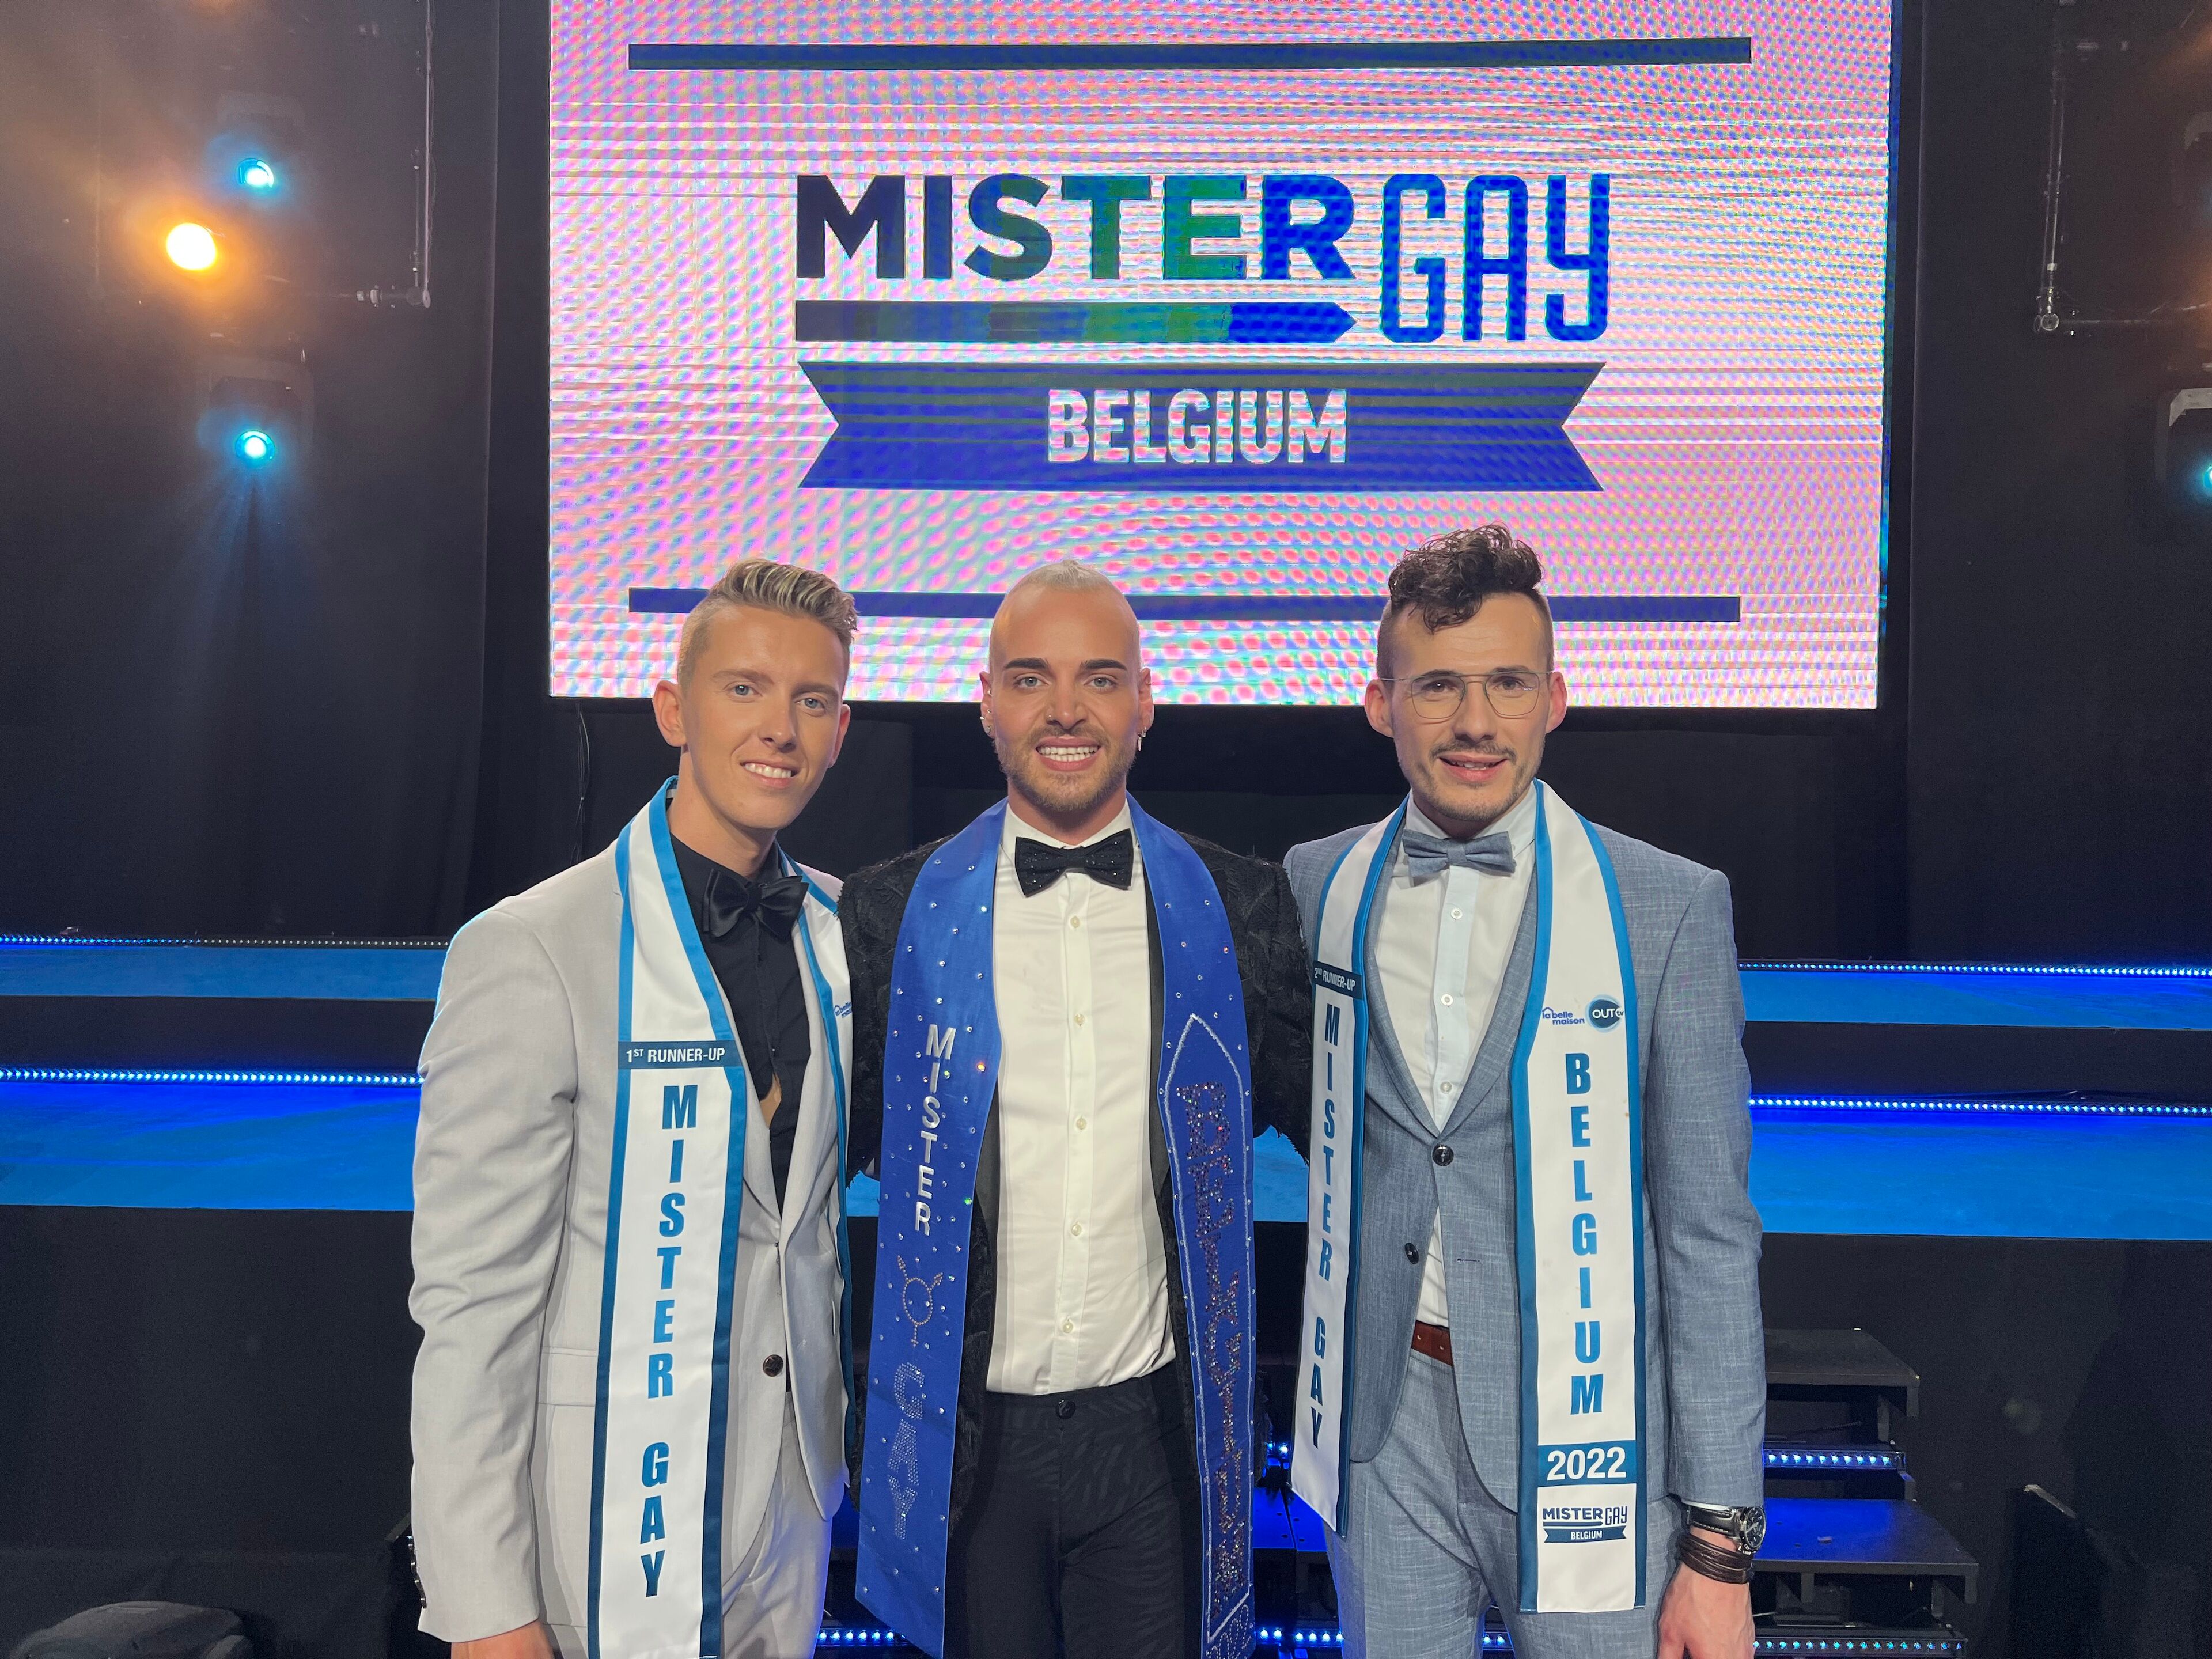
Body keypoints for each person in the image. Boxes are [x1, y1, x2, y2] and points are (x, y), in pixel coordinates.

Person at [1286, 527, 1765, 1659]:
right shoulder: (1315, 884)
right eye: (1438, 686)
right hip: (1382, 1430)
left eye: (1507, 683)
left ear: (1554, 698)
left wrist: (1720, 1547)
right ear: (1381, 704)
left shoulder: (1668, 906)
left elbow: (1707, 1233)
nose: (1475, 721)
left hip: (1591, 1437)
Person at [837, 560, 1312, 1659]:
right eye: (1030, 678)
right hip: (964, 1442)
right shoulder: (889, 913)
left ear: (1145, 702)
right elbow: (814, 1161)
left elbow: (1346, 1132)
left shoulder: (1241, 907)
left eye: (1099, 679)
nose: (1065, 710)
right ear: (986, 702)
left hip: (1155, 1439)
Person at [408, 559, 862, 1659]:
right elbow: (471, 1305)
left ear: (840, 730)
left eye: (811, 700)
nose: (781, 728)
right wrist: (483, 1606)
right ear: (673, 710)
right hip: (602, 1524)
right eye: (745, 689)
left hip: (792, 1516)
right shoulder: (533, 948)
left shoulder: (845, 932)